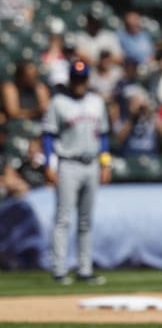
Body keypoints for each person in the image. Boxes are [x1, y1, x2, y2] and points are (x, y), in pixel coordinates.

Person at [41, 59, 111, 286]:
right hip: (68, 163)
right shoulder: (59, 102)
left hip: (91, 163)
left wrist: (105, 163)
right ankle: (60, 270)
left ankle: (84, 269)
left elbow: (103, 135)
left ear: (88, 79)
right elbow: (48, 135)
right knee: (63, 219)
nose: (79, 82)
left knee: (85, 221)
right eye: (76, 78)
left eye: (83, 78)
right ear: (70, 79)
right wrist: (48, 165)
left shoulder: (97, 102)